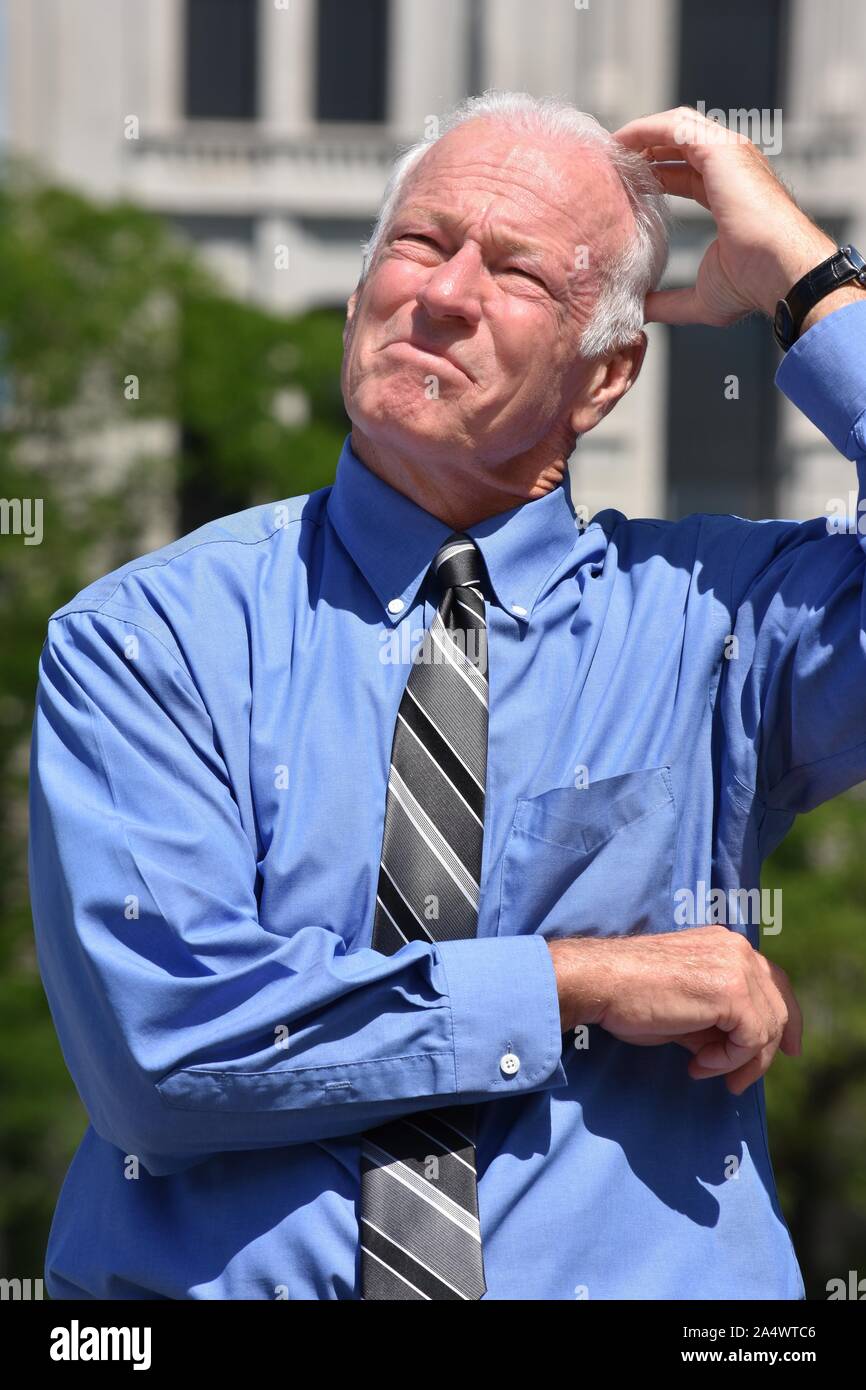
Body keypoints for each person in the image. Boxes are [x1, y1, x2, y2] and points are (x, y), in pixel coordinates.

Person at [29, 93, 866, 1300]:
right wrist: (577, 978)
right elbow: (164, 1056)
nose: (445, 293)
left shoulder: (712, 622)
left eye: (519, 272)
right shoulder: (148, 637)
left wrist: (804, 279)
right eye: (419, 243)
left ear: (605, 376)